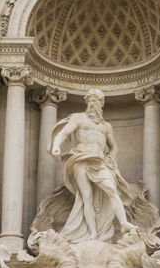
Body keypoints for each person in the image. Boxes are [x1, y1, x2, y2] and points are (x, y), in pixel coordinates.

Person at [49, 88, 134, 242]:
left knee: (112, 189)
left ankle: (124, 223)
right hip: (80, 159)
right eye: (90, 100)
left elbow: (113, 146)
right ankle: (93, 233)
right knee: (85, 197)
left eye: (96, 100)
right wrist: (56, 145)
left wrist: (111, 158)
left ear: (101, 103)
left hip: (100, 161)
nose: (93, 103)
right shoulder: (78, 118)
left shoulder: (106, 126)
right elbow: (64, 133)